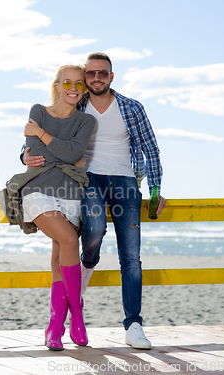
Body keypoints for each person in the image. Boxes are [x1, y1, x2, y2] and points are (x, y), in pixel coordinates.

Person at [23, 52, 166, 350]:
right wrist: (24, 155)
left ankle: (134, 324)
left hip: (126, 180)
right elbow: (34, 140)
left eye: (103, 73)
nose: (96, 78)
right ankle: (84, 270)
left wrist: (154, 188)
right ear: (85, 78)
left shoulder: (131, 107)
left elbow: (151, 149)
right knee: (94, 230)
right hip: (88, 180)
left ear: (111, 77)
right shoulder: (77, 104)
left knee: (131, 257)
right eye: (91, 74)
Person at [20, 64, 96, 351]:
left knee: (59, 258)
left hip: (70, 191)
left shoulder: (86, 122)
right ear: (57, 85)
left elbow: (75, 154)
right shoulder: (38, 110)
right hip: (38, 187)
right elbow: (36, 156)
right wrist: (62, 152)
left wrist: (42, 135)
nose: (73, 89)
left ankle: (54, 327)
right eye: (67, 83)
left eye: (79, 84)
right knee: (68, 240)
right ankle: (76, 315)